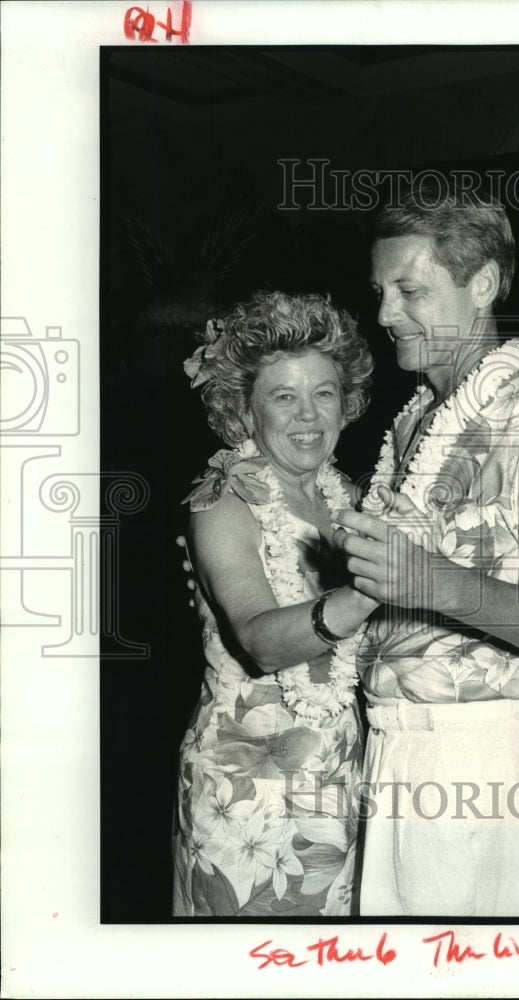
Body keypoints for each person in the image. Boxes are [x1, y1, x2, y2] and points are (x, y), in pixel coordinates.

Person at [332, 181, 519, 917]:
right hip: (394, 748)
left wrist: (434, 582)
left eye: (410, 290)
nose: (383, 314)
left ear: (484, 284)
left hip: (474, 762)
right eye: (379, 291)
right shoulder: (412, 424)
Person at [171, 290, 377, 917]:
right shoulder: (223, 501)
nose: (308, 414)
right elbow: (261, 640)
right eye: (283, 396)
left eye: (325, 392)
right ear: (245, 410)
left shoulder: (352, 503)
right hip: (245, 797)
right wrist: (376, 588)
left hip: (340, 781)